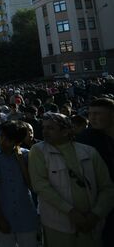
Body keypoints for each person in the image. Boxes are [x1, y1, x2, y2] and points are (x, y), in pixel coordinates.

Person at [29, 112, 114, 247]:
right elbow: (41, 186)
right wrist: (71, 212)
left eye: (51, 128)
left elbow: (107, 187)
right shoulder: (38, 151)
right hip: (57, 223)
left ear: (65, 131)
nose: (44, 131)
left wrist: (96, 214)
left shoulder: (89, 152)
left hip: (91, 223)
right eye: (44, 127)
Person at [0, 121, 38, 247]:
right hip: (3, 215)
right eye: (1, 136)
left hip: (26, 215)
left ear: (18, 142)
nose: (2, 142)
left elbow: (33, 187)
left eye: (8, 139)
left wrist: (21, 163)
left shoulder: (27, 155)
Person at [77, 97, 114, 247]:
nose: (92, 118)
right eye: (90, 113)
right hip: (101, 200)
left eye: (98, 113)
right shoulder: (86, 139)